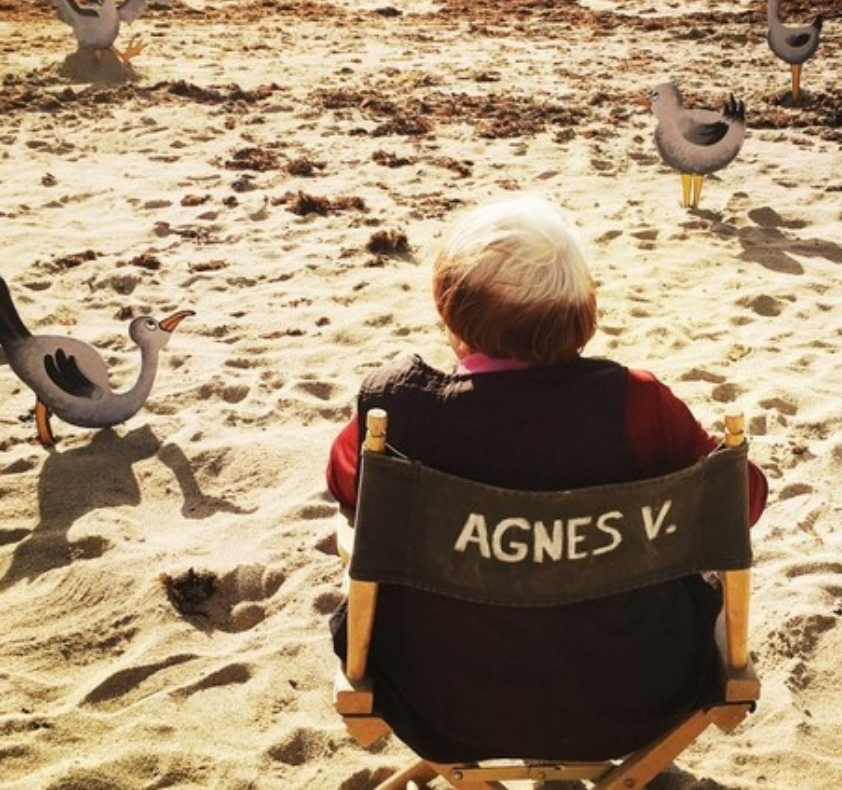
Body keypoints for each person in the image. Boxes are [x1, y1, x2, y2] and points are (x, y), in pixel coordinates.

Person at [325, 195, 768, 763]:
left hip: (438, 700)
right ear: (583, 314)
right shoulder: (638, 404)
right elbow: (740, 501)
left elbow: (346, 487)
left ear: (449, 309)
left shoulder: (400, 408)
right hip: (635, 698)